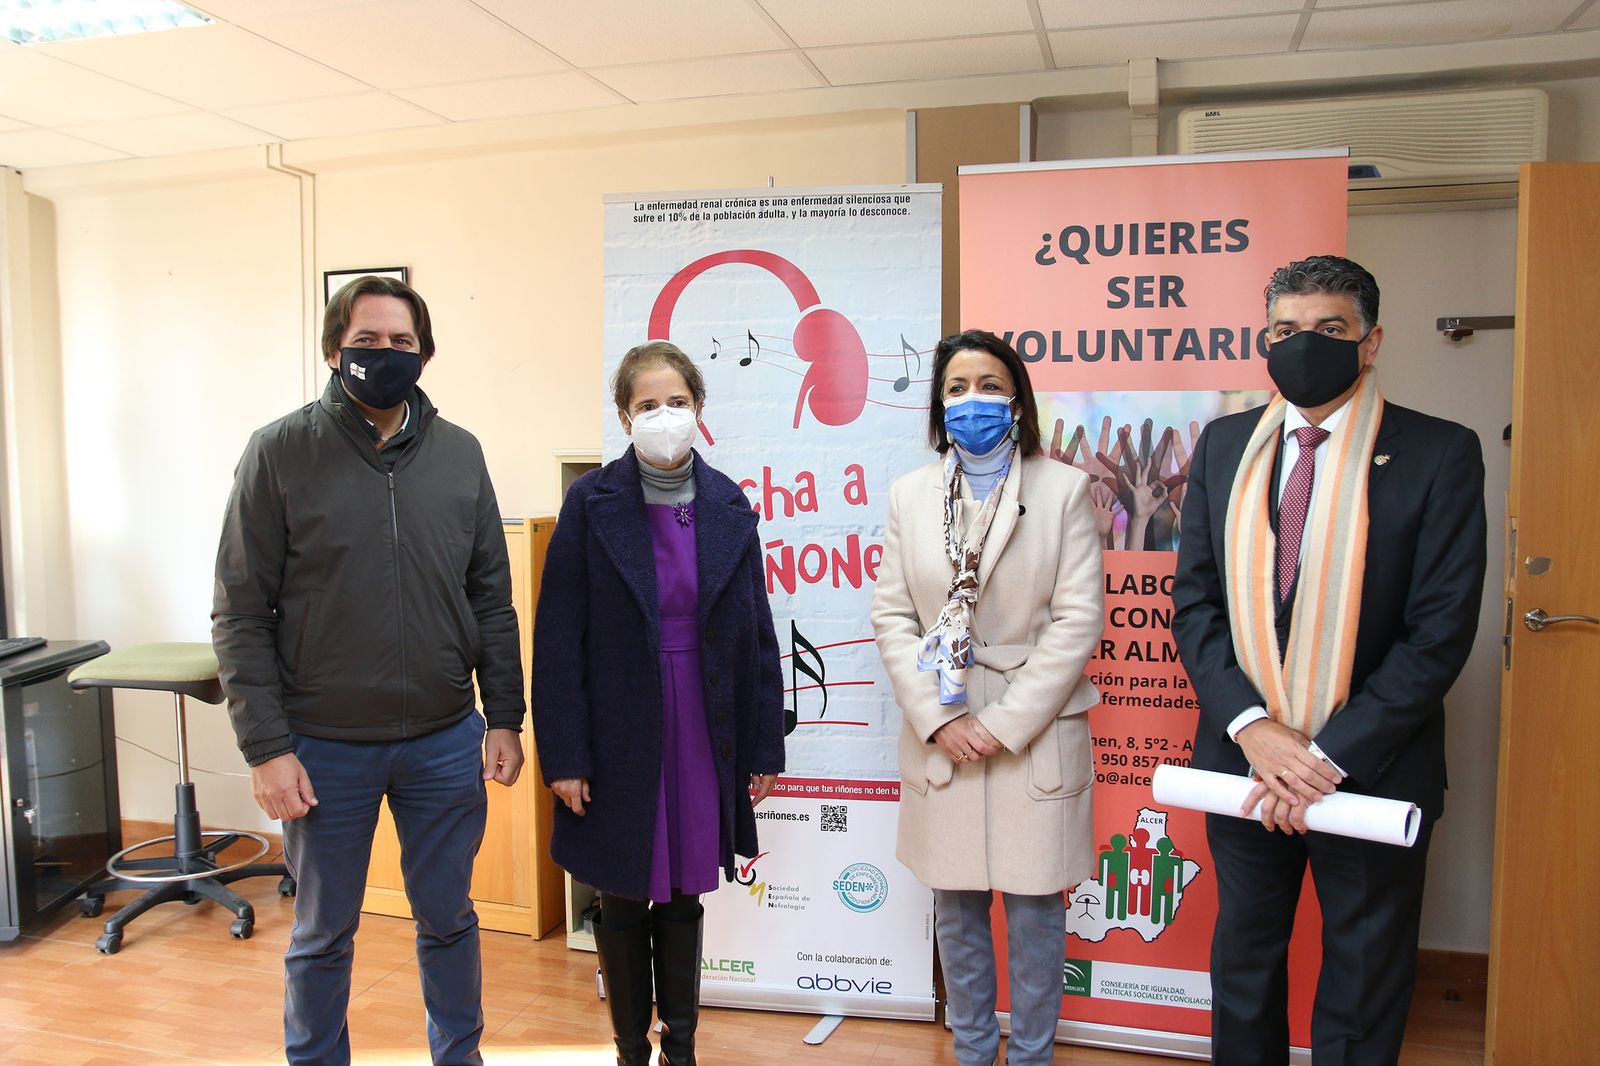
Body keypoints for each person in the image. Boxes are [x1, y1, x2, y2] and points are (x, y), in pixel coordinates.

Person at [1171, 255, 1486, 1064]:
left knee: (1362, 980)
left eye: (1329, 330)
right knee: (1244, 969)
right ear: (1263, 340)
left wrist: (1320, 759)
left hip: (1372, 771)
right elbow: (1197, 607)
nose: (1304, 345)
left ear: (1371, 342)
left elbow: (1438, 635)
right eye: (1285, 330)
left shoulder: (1439, 452)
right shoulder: (1224, 446)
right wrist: (1254, 732)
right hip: (1243, 763)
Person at [212, 275, 525, 1066]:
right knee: (322, 934)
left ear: (424, 355)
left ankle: (460, 1057)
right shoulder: (279, 452)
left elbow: (492, 597)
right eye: (368, 341)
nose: (385, 356)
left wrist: (507, 717)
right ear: (332, 349)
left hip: (443, 739)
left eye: (402, 344)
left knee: (449, 919)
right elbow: (240, 613)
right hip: (323, 748)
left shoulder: (460, 455)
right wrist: (264, 748)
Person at [531, 340, 785, 1066]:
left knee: (681, 893)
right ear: (623, 415)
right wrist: (567, 757)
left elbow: (758, 637)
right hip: (619, 726)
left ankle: (681, 1050)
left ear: (698, 410)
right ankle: (628, 1051)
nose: (664, 416)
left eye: (677, 402)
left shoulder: (728, 502)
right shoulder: (590, 503)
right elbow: (558, 643)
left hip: (704, 722)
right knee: (621, 892)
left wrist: (766, 746)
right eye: (648, 405)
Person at [872, 329, 1103, 1066]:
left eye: (990, 386)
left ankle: (1032, 1055)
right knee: (958, 912)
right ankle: (973, 1051)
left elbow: (1076, 622)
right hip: (942, 732)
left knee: (1036, 916)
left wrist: (1001, 725)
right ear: (941, 404)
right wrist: (942, 720)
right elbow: (893, 616)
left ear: (1018, 400)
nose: (974, 401)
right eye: (958, 388)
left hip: (1030, 734)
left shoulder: (1063, 489)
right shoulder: (910, 495)